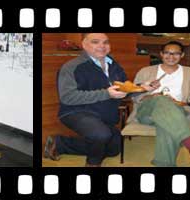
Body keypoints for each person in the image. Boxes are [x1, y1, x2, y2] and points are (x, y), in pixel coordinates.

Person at [43, 33, 134, 167]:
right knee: (101, 135)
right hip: (76, 112)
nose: (102, 46)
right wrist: (106, 94)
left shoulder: (114, 64)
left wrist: (142, 87)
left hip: (103, 114)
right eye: (95, 42)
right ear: (84, 45)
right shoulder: (70, 67)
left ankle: (60, 143)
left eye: (105, 42)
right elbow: (68, 97)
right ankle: (93, 163)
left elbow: (122, 89)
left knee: (114, 148)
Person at [128, 41, 190, 166]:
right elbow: (133, 95)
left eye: (176, 53)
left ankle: (163, 163)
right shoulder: (146, 71)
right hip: (147, 112)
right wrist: (147, 91)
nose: (171, 57)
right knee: (162, 99)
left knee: (167, 123)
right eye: (167, 53)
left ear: (182, 55)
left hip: (179, 111)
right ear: (161, 54)